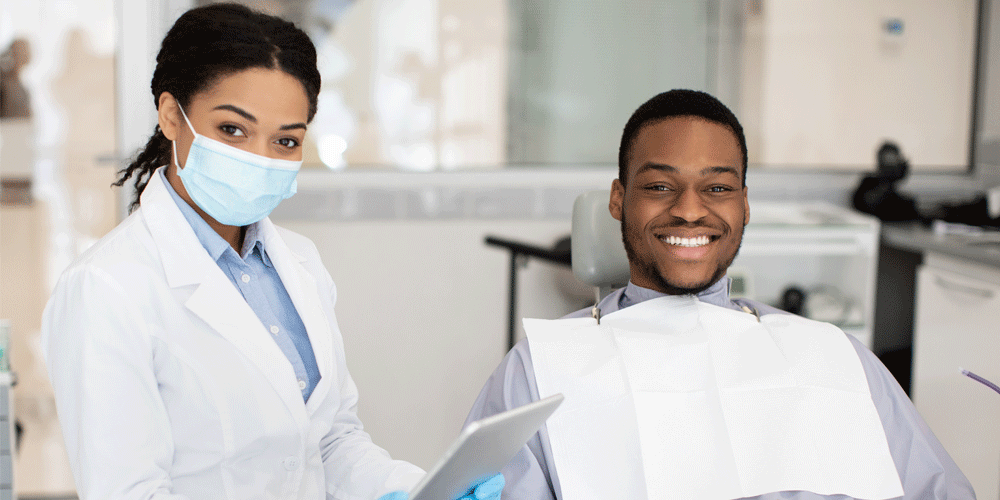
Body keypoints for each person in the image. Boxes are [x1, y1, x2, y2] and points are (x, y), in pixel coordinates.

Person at [41, 4, 501, 499]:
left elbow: (329, 443)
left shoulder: (299, 264)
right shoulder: (105, 288)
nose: (259, 157)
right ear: (172, 116)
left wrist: (419, 489)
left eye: (285, 140)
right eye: (232, 130)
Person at [463, 89, 975, 499]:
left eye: (718, 188)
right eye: (660, 186)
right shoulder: (541, 371)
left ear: (745, 206)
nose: (689, 210)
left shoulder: (832, 356)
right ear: (619, 200)